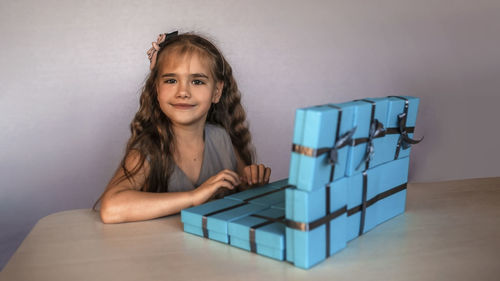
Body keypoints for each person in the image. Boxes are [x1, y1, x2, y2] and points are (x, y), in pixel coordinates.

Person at [96, 31, 271, 224]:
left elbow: (243, 187)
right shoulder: (149, 148)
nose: (183, 92)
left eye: (197, 81)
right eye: (171, 80)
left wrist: (253, 183)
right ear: (157, 89)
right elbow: (111, 208)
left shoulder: (221, 138)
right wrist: (194, 197)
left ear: (217, 91)